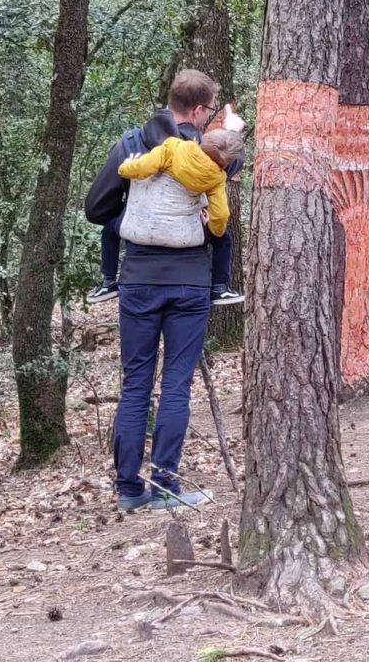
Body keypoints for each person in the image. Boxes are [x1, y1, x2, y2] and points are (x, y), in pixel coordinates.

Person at [84, 69, 240, 511]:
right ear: (198, 110)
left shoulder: (132, 145)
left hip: (137, 280)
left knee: (135, 385)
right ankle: (166, 486)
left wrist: (131, 220)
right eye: (209, 111)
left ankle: (129, 489)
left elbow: (96, 208)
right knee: (175, 385)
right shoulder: (209, 155)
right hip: (190, 282)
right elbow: (227, 181)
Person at [87, 115, 245, 306]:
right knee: (223, 239)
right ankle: (219, 288)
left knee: (110, 229)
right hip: (184, 230)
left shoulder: (173, 147)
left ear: (202, 142)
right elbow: (221, 214)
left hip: (144, 222)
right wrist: (214, 228)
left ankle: (108, 281)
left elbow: (145, 166)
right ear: (225, 164)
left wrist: (126, 168)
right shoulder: (217, 178)